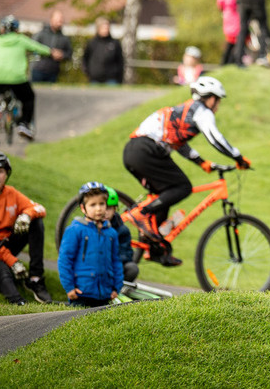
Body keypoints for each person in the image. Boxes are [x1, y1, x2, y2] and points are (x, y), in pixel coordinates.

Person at [122, 76, 250, 266]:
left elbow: (179, 145)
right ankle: (141, 213)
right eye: (218, 101)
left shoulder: (186, 110)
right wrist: (238, 157)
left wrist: (202, 163)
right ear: (210, 98)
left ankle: (156, 248)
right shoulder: (201, 111)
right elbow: (215, 138)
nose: (218, 106)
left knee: (164, 195)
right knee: (183, 186)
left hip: (134, 151)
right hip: (146, 150)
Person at [0, 151, 51, 304]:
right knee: (4, 274)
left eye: (0, 171)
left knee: (36, 221)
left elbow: (39, 208)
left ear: (6, 173)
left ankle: (36, 279)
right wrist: (13, 262)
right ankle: (16, 299)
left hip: (8, 241)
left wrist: (27, 215)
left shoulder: (11, 193)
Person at [0, 15, 59, 140]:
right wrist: (51, 52)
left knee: (1, 89)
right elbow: (38, 48)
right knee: (28, 97)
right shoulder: (20, 40)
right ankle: (23, 124)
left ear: (2, 29)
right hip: (16, 78)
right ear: (17, 29)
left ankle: (0, 109)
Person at [57, 182, 124, 307]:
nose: (98, 208)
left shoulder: (111, 233)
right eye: (93, 205)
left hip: (105, 293)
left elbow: (116, 261)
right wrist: (69, 287)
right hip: (81, 293)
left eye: (102, 204)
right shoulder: (75, 230)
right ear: (83, 208)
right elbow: (64, 260)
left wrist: (116, 287)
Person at [105, 187, 138, 282]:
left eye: (109, 208)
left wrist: (112, 261)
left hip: (113, 266)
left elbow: (126, 254)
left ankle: (120, 288)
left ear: (115, 209)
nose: (105, 212)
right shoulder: (86, 228)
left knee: (132, 268)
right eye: (103, 207)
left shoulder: (122, 230)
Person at [31, 10, 72, 83]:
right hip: (38, 70)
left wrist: (62, 55)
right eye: (57, 20)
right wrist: (50, 52)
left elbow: (69, 53)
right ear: (51, 20)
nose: (59, 22)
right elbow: (33, 48)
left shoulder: (64, 38)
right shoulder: (41, 34)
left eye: (61, 20)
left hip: (53, 72)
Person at [82, 17, 124, 85]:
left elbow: (120, 61)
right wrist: (88, 72)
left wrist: (119, 77)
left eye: (107, 28)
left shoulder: (114, 43)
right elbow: (85, 58)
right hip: (95, 79)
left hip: (111, 79)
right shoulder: (92, 43)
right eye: (103, 28)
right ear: (98, 28)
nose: (106, 30)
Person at [217, 0, 240, 65]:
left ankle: (226, 62)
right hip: (235, 19)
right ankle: (229, 62)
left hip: (227, 18)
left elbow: (219, 4)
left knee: (230, 42)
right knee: (234, 43)